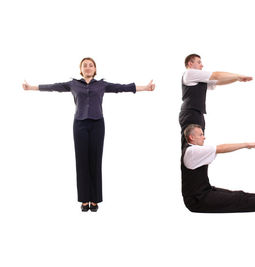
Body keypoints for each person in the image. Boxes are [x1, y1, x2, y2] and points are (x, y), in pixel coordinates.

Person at [22, 57, 155, 212]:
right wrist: (30, 87)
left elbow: (121, 87)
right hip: (79, 124)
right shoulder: (73, 84)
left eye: (90, 65)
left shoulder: (101, 85)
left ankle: (95, 199)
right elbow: (53, 86)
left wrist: (145, 88)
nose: (88, 67)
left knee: (95, 161)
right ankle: (84, 200)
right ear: (81, 69)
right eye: (85, 65)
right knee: (82, 162)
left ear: (95, 69)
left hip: (98, 124)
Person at [181, 124, 255, 213]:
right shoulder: (192, 151)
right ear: (191, 137)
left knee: (240, 195)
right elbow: (221, 148)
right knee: (239, 200)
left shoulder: (193, 150)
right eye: (201, 135)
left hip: (204, 192)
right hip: (197, 200)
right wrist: (246, 144)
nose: (204, 137)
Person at [179, 54, 253, 148]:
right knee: (191, 146)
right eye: (199, 62)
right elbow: (216, 75)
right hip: (190, 113)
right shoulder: (190, 73)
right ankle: (187, 163)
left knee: (198, 145)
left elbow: (218, 81)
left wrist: (236, 79)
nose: (202, 65)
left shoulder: (199, 79)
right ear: (190, 63)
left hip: (197, 113)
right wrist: (238, 76)